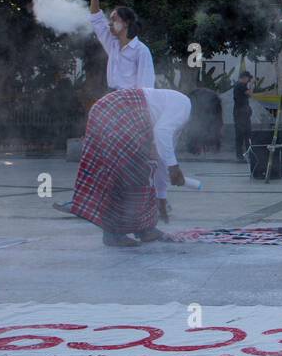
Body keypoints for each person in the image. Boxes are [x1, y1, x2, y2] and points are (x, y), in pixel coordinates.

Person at [55, 0, 162, 217]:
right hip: (113, 102)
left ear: (125, 24)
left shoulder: (141, 51)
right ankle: (84, 201)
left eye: (114, 18)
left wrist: (144, 122)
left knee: (128, 160)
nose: (110, 22)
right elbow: (96, 19)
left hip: (131, 106)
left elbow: (146, 88)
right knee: (97, 153)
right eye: (111, 18)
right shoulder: (113, 44)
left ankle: (137, 207)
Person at [68, 87, 192, 246]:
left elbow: (161, 158)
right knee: (126, 172)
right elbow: (162, 133)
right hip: (117, 110)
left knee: (143, 170)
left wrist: (161, 198)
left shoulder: (174, 120)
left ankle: (145, 229)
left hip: (110, 109)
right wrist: (174, 168)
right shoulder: (184, 106)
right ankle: (113, 234)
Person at [233, 73, 254, 162]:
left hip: (242, 114)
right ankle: (241, 155)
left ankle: (245, 154)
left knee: (246, 135)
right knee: (242, 135)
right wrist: (252, 84)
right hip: (240, 114)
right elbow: (250, 93)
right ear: (244, 78)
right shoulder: (240, 85)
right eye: (248, 79)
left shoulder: (240, 85)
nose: (248, 81)